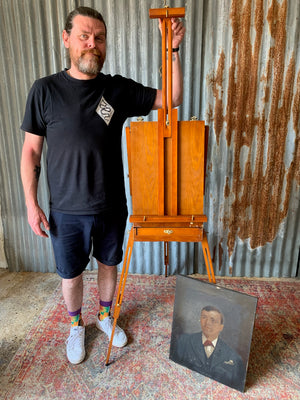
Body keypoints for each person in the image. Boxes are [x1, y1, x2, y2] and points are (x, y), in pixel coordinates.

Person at [20, 6, 185, 365]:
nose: (92, 44)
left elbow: (170, 99)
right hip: (65, 208)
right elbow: (31, 151)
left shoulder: (116, 90)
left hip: (111, 204)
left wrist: (171, 50)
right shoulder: (44, 90)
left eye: (99, 38)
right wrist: (32, 205)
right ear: (67, 39)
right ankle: (76, 324)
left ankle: (106, 315)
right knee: (71, 273)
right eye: (84, 36)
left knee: (109, 263)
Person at [170, 305, 246, 391]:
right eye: (204, 317)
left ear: (221, 327)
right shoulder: (183, 341)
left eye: (213, 320)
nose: (207, 323)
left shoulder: (234, 358)